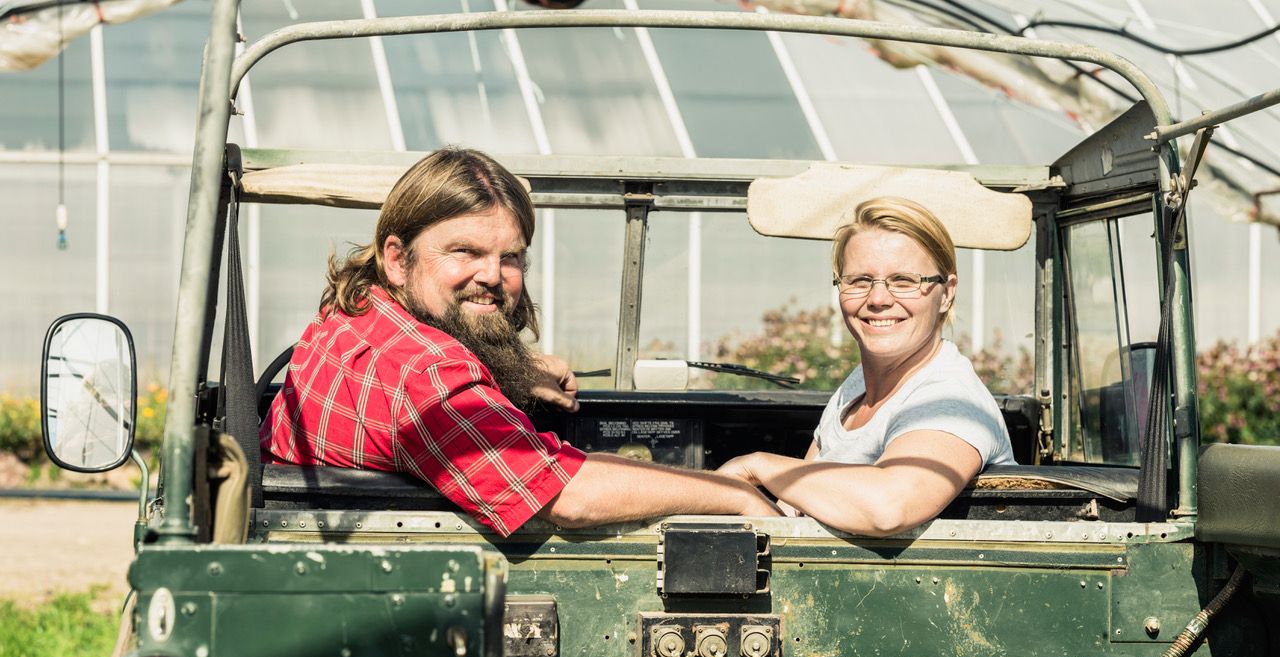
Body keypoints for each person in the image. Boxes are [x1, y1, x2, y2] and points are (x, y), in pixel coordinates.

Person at [261, 147, 777, 536]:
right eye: (465, 251)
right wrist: (730, 494)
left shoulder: (352, 307)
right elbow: (565, 495)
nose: (493, 275)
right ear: (397, 258)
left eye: (511, 258)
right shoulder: (428, 377)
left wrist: (520, 370)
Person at [718, 196, 1014, 536]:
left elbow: (889, 507)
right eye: (859, 281)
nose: (877, 299)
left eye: (904, 281)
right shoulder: (857, 387)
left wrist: (757, 466)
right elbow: (799, 503)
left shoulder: (952, 400)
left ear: (946, 293)